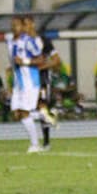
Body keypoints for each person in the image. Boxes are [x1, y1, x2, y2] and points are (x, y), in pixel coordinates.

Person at [6, 15, 46, 152]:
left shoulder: (28, 41)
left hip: (30, 81)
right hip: (19, 83)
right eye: (12, 25)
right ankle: (42, 114)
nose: (14, 27)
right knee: (16, 114)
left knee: (24, 112)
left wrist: (25, 62)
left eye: (17, 25)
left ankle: (35, 145)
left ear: (23, 27)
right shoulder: (10, 42)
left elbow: (41, 59)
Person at [22, 16, 57, 149]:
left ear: (33, 24)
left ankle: (46, 142)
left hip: (42, 79)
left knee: (42, 106)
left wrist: (40, 67)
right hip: (27, 81)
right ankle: (50, 115)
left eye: (27, 24)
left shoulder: (44, 41)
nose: (25, 27)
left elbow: (56, 60)